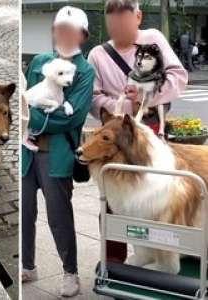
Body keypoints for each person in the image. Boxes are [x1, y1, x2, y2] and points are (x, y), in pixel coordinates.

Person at [88, 0, 187, 263]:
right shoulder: (98, 54)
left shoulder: (153, 39)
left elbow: (178, 76)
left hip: (151, 134)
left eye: (124, 24)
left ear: (138, 17)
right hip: (115, 141)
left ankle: (159, 255)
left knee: (158, 198)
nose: (118, 30)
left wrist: (146, 97)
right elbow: (93, 98)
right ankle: (113, 262)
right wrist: (121, 109)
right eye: (113, 25)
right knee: (111, 203)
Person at [22, 6, 95, 297]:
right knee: (26, 211)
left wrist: (33, 120)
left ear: (83, 35)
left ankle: (70, 272)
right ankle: (27, 265)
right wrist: (29, 119)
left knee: (59, 215)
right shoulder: (40, 61)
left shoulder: (86, 71)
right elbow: (25, 103)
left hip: (58, 153)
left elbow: (73, 117)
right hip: (27, 152)